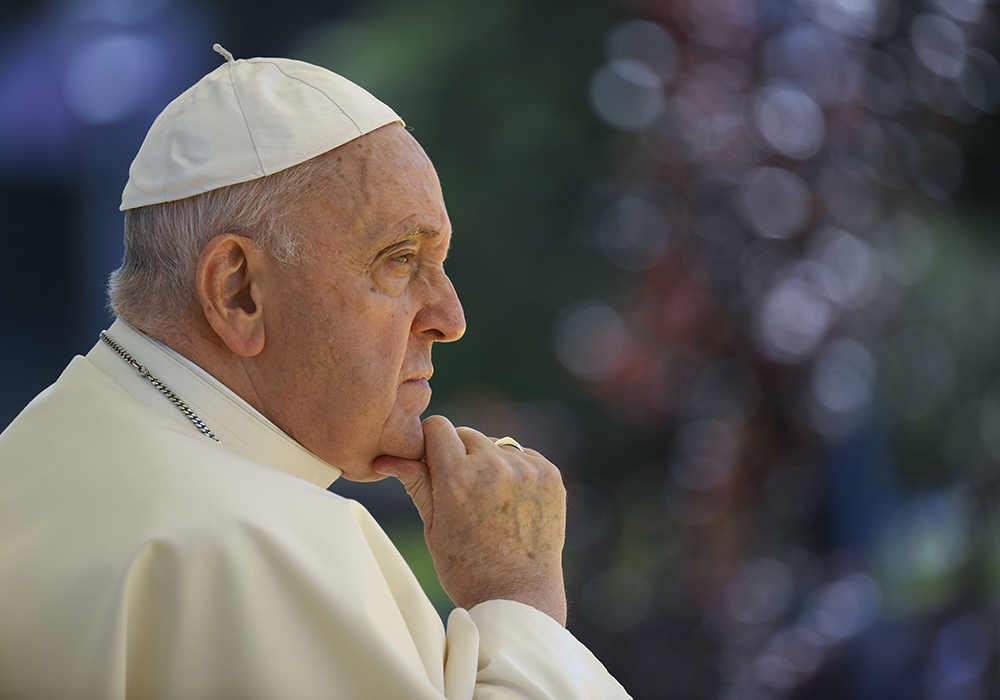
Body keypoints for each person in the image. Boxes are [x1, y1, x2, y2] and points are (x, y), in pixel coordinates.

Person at [0, 45, 630, 699]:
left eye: (439, 260)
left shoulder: (34, 449)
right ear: (238, 291)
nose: (449, 316)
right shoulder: (261, 547)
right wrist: (519, 603)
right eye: (399, 258)